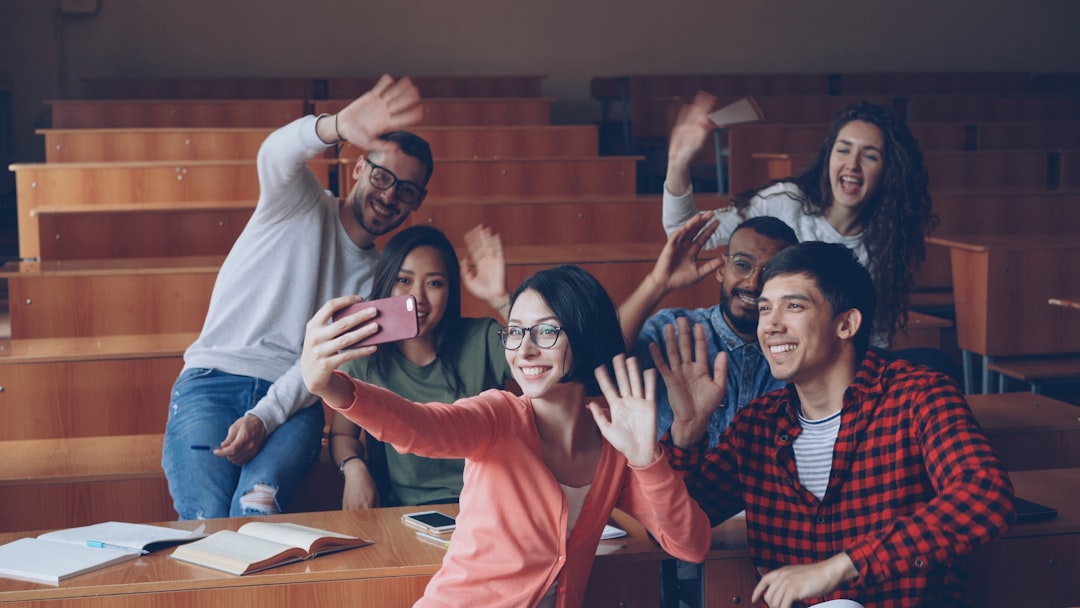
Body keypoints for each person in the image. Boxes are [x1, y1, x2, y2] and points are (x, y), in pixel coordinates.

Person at [162, 74, 511, 519]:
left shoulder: (382, 284)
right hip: (213, 378)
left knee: (255, 508)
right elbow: (273, 153)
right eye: (382, 176)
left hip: (298, 401)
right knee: (206, 517)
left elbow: (320, 365)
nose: (389, 195)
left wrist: (265, 416)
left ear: (416, 202)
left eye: (405, 190)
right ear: (359, 167)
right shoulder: (299, 202)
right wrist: (337, 126)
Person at [302, 264, 711, 608]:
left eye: (546, 332)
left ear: (586, 335)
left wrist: (647, 460)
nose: (524, 350)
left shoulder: (616, 442)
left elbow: (690, 545)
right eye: (515, 332)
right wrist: (330, 386)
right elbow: (419, 426)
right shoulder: (498, 416)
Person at [652, 241, 1013, 608]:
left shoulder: (919, 396)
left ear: (846, 324)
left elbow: (986, 495)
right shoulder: (757, 426)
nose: (771, 325)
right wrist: (686, 432)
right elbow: (677, 528)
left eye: (794, 306)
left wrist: (843, 566)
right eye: (765, 308)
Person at [662, 94, 936, 347]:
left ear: (888, 171)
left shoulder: (888, 242)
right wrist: (677, 163)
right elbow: (684, 234)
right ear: (829, 156)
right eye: (843, 150)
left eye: (870, 156)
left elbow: (874, 338)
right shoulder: (786, 202)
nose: (852, 164)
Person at [329, 224, 514, 509]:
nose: (417, 298)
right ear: (386, 284)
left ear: (450, 291)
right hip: (404, 513)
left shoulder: (485, 338)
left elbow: (548, 358)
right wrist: (353, 467)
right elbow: (343, 434)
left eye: (434, 283)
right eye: (404, 280)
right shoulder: (366, 356)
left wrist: (500, 298)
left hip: (488, 508)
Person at [620, 215, 798, 448]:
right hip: (668, 471)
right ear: (722, 269)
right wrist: (656, 283)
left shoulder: (798, 350)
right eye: (742, 264)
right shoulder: (675, 329)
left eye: (770, 273)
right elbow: (598, 358)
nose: (753, 283)